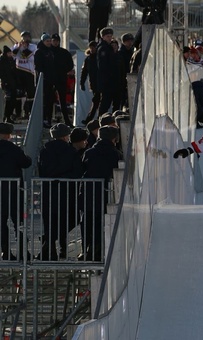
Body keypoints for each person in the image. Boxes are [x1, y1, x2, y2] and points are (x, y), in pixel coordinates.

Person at [38, 123, 83, 260]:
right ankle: (53, 244)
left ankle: (49, 250)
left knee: (50, 221)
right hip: (68, 191)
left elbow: (42, 171)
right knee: (70, 218)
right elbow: (78, 172)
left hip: (49, 191)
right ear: (65, 136)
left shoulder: (45, 150)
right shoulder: (71, 152)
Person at [80, 126, 123, 261]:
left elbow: (82, 169)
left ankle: (87, 250)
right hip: (108, 194)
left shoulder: (89, 152)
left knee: (87, 223)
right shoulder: (116, 154)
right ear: (114, 138)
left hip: (89, 193)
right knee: (104, 224)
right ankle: (101, 251)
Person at [0, 123, 32, 260]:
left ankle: (6, 252)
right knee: (19, 223)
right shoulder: (14, 149)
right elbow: (26, 163)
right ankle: (24, 252)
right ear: (8, 135)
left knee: (2, 224)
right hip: (14, 191)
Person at [50, 33, 75, 127]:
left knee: (63, 101)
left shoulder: (64, 52)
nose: (55, 42)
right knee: (49, 101)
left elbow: (70, 65)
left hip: (61, 79)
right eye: (54, 41)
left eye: (57, 41)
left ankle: (66, 121)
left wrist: (63, 70)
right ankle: (48, 119)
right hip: (51, 80)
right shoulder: (48, 52)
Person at [11, 31, 36, 119]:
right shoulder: (16, 45)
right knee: (19, 94)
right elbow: (12, 55)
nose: (25, 39)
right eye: (23, 37)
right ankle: (18, 113)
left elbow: (27, 56)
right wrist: (18, 48)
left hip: (29, 72)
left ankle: (29, 112)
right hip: (19, 71)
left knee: (30, 94)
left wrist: (24, 48)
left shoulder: (33, 47)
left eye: (27, 37)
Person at [34, 33, 57, 129]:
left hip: (50, 80)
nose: (49, 43)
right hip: (43, 80)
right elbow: (38, 66)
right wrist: (42, 76)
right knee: (44, 101)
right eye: (47, 41)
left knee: (50, 101)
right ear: (43, 42)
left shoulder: (51, 51)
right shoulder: (39, 52)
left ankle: (48, 119)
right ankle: (42, 119)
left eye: (49, 41)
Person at [96, 27, 116, 115]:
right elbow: (103, 66)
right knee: (105, 102)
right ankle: (101, 119)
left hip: (108, 79)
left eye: (111, 36)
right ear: (103, 37)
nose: (110, 38)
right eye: (108, 36)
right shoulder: (103, 48)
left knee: (107, 102)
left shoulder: (108, 47)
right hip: (106, 80)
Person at [80, 41, 100, 125]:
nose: (92, 49)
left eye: (94, 47)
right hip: (94, 84)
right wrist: (82, 83)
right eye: (91, 47)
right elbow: (84, 72)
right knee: (97, 101)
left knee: (96, 101)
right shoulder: (88, 59)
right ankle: (94, 119)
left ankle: (90, 119)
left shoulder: (99, 58)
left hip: (101, 82)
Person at [0, 46, 21, 123]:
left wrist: (17, 82)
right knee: (8, 100)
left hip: (13, 83)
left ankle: (9, 116)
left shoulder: (11, 60)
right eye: (9, 53)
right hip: (7, 83)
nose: (10, 54)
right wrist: (4, 81)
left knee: (13, 100)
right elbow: (2, 73)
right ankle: (6, 116)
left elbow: (15, 72)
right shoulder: (2, 60)